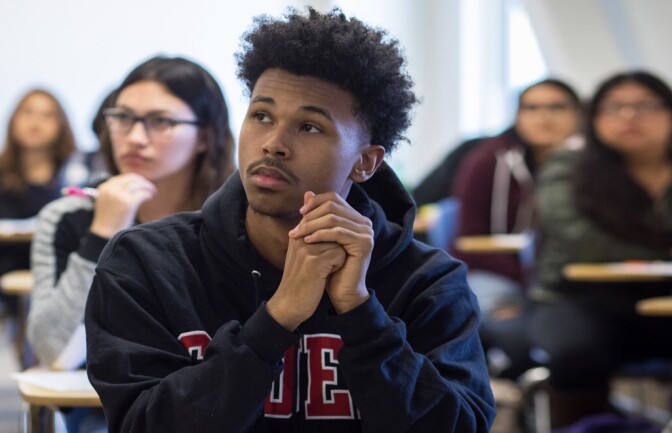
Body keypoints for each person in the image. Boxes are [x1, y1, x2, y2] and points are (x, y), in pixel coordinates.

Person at [84, 7, 495, 433]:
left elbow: (461, 426)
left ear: (366, 162)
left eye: (310, 127)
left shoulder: (428, 282)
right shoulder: (147, 263)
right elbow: (141, 425)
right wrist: (277, 318)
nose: (274, 144)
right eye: (261, 116)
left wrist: (359, 312)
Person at [26, 55, 235, 433]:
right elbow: (56, 356)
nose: (135, 137)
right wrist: (103, 233)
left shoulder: (237, 222)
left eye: (161, 121)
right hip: (101, 418)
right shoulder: (68, 217)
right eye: (122, 118)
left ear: (205, 135)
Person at [529, 70, 672, 428]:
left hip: (666, 300)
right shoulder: (569, 167)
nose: (629, 116)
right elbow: (583, 241)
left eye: (645, 105)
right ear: (594, 119)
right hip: (583, 299)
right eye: (614, 107)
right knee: (576, 353)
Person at [450, 79, 582, 322]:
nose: (544, 117)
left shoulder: (595, 167)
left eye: (557, 107)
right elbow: (468, 240)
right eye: (531, 108)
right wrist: (527, 277)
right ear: (517, 116)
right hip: (498, 273)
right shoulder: (488, 160)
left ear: (579, 114)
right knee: (506, 321)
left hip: (572, 281)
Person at [0, 89, 81, 325]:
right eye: (28, 113)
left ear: (61, 125)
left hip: (59, 273)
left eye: (47, 116)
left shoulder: (75, 177)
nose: (35, 123)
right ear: (13, 119)